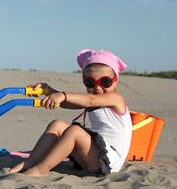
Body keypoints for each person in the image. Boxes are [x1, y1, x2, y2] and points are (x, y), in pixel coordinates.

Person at [7, 48, 132, 177]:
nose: (97, 88)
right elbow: (68, 103)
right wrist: (48, 91)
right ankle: (32, 161)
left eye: (105, 82)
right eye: (90, 82)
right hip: (91, 155)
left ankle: (41, 169)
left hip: (108, 162)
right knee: (58, 124)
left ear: (115, 80)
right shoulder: (95, 99)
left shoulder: (116, 99)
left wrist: (63, 95)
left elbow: (89, 100)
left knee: (74, 131)